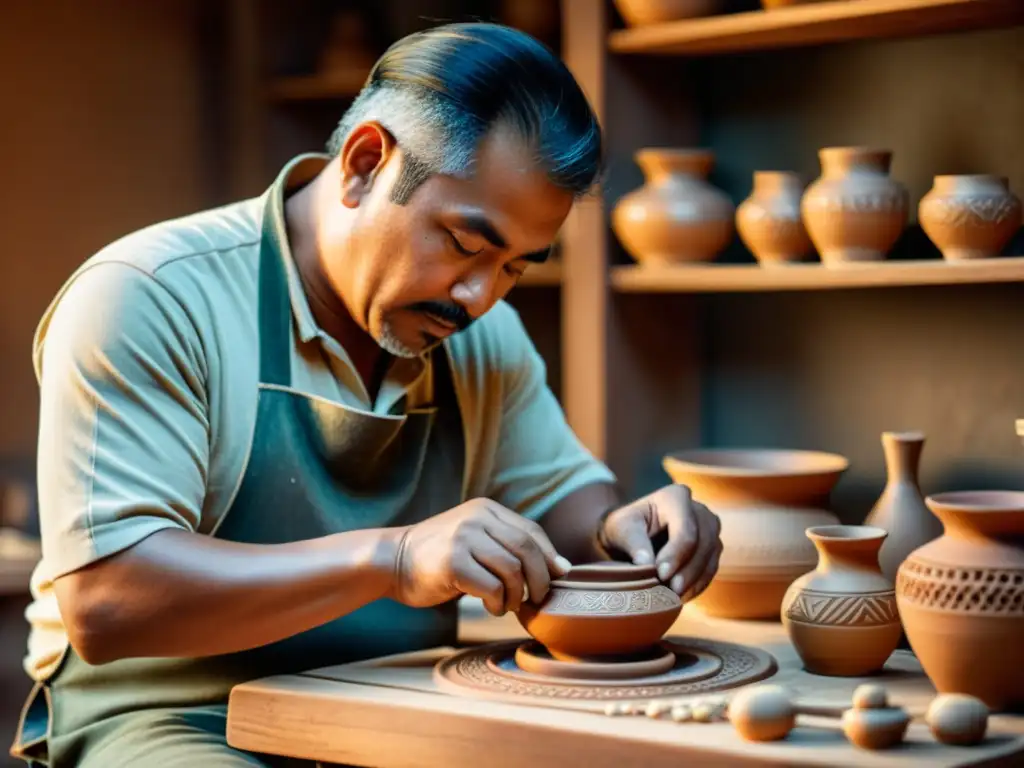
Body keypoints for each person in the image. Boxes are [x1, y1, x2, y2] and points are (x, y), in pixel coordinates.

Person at [12, 21, 722, 768]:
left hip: (394, 705)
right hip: (169, 717)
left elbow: (570, 510)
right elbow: (109, 600)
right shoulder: (150, 297)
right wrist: (394, 559)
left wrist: (626, 532)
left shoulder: (486, 339)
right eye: (465, 244)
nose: (479, 296)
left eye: (515, 266)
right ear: (363, 163)